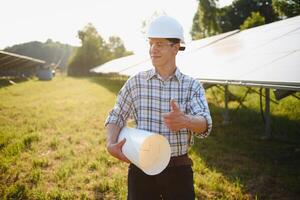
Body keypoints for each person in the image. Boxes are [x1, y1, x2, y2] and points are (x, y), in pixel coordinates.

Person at [105, 15, 212, 200]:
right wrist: (110, 143)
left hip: (178, 170)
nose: (153, 49)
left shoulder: (191, 85)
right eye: (151, 43)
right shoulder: (136, 82)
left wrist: (186, 120)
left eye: (160, 44)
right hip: (141, 168)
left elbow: (205, 124)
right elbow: (116, 115)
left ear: (176, 47)